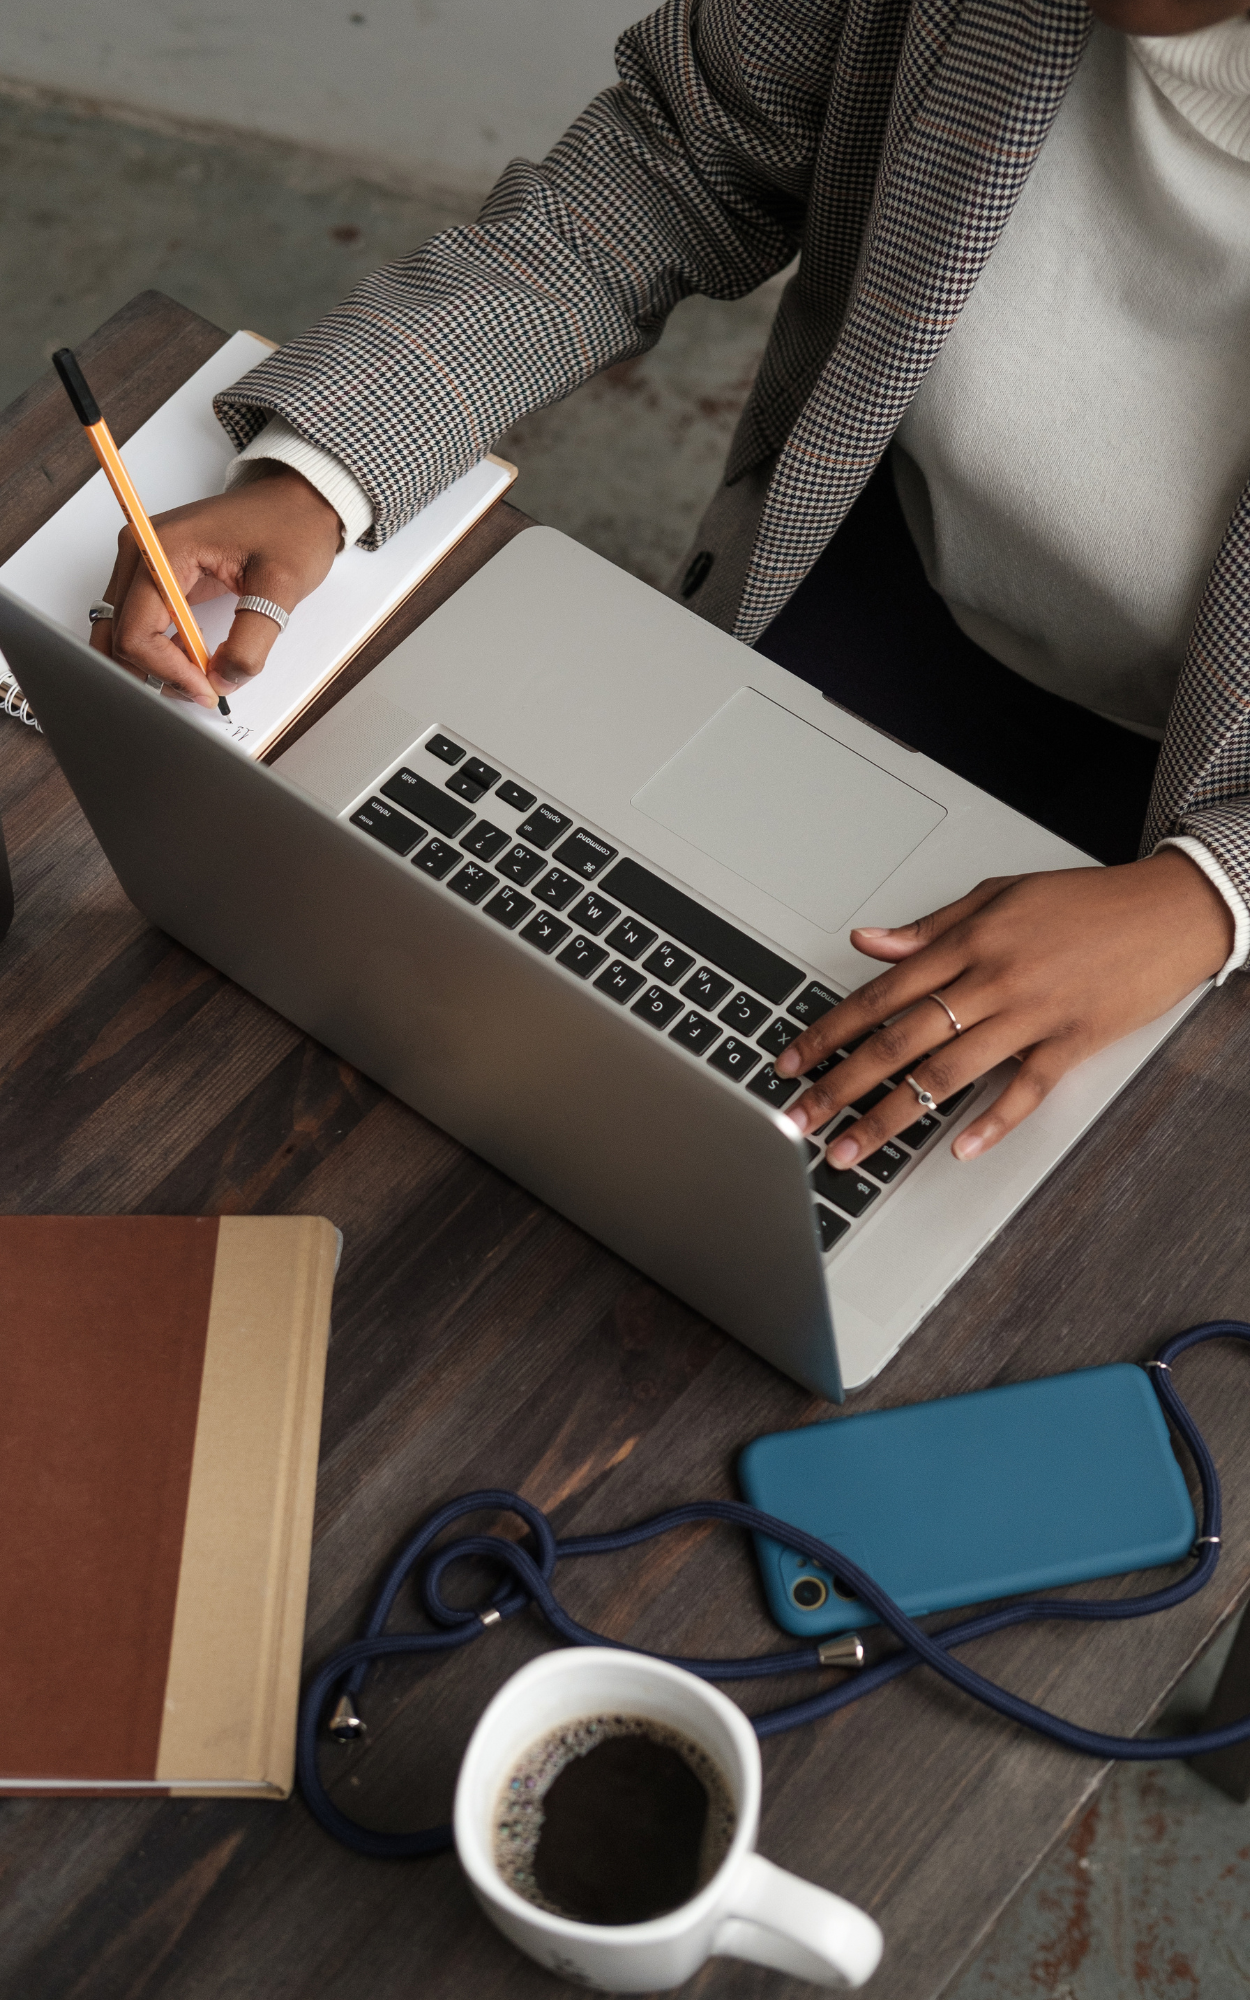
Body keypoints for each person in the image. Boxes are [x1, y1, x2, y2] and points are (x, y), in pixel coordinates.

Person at [91, 0, 1250, 1174]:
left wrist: (1210, 896)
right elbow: (668, 168)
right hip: (886, 570)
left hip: (1210, 778)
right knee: (561, 1023)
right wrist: (326, 468)